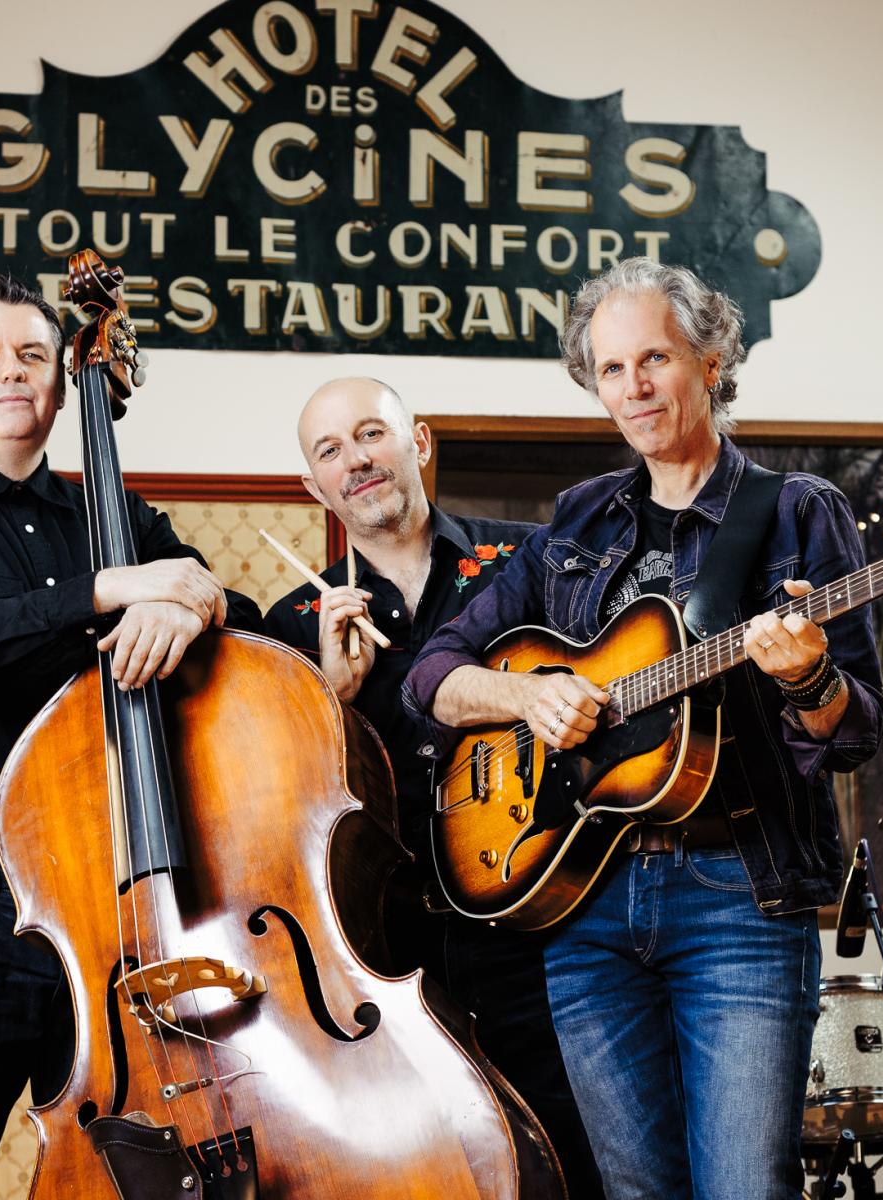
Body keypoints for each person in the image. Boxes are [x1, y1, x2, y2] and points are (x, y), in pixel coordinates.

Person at [402, 258, 883, 1199]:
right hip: (581, 900)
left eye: (654, 358)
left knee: (746, 1188)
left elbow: (856, 732)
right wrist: (526, 699)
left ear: (711, 360)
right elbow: (434, 675)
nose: (634, 387)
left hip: (739, 897)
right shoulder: (577, 519)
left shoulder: (796, 512)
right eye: (612, 369)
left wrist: (810, 675)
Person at [0, 272, 260, 1199]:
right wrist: (108, 590)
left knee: (123, 1174)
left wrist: (191, 605)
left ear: (65, 381)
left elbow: (244, 628)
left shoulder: (120, 520)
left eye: (32, 353)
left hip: (109, 907)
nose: (11, 371)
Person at [263, 376, 603, 1198]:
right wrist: (332, 699)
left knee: (581, 1162)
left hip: (542, 916)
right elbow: (279, 810)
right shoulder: (292, 626)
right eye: (330, 450)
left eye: (370, 434)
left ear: (417, 442)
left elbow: (600, 689)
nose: (356, 460)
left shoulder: (530, 561)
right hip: (389, 952)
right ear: (314, 486)